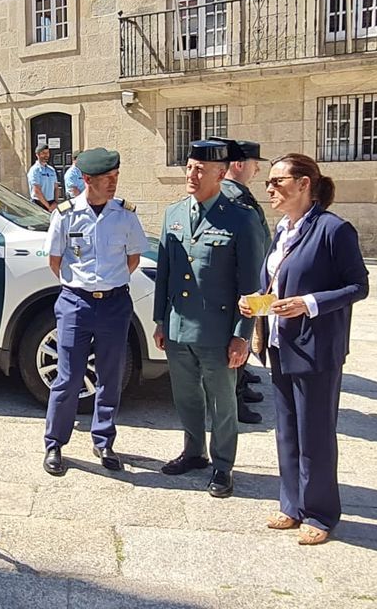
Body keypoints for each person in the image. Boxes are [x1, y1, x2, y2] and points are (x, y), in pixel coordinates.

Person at [238, 153, 368, 546]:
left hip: (316, 347)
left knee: (316, 433)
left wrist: (310, 304)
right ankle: (291, 504)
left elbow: (358, 286)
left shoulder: (333, 229)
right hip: (280, 343)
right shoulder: (284, 230)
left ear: (304, 184)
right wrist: (257, 302)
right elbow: (280, 286)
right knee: (287, 431)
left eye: (278, 181)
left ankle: (321, 512)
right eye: (269, 182)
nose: (270, 188)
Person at [152, 140, 264, 498]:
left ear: (220, 173)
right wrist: (159, 321)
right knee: (185, 396)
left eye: (200, 169)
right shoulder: (173, 213)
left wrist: (242, 335)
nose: (192, 174)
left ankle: (222, 465)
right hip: (178, 326)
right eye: (188, 167)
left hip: (218, 331)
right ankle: (193, 451)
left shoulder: (241, 218)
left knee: (223, 402)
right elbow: (165, 273)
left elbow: (253, 286)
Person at [42, 147, 147, 476]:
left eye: (116, 178)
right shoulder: (66, 214)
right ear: (87, 180)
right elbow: (55, 260)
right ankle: (55, 443)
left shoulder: (125, 215)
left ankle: (103, 440)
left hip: (114, 304)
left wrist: (108, 284)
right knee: (68, 377)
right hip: (76, 303)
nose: (113, 184)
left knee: (111, 376)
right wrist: (81, 286)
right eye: (106, 179)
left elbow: (133, 258)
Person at [210, 135, 269, 423]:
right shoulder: (232, 196)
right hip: (243, 283)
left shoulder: (241, 193)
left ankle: (243, 385)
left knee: (249, 334)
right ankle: (235, 397)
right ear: (237, 164)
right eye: (254, 164)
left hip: (255, 279)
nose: (257, 170)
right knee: (239, 337)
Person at [27, 142, 59, 211]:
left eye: (47, 153)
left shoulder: (51, 170)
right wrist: (48, 206)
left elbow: (56, 187)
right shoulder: (34, 170)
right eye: (43, 153)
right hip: (39, 204)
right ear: (37, 155)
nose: (46, 155)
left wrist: (55, 202)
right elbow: (37, 190)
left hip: (51, 203)